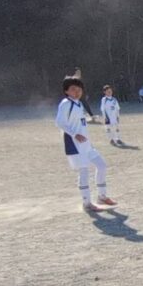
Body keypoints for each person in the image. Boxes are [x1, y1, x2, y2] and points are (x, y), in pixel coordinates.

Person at [55, 76, 116, 212]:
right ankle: (87, 203)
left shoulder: (79, 103)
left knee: (101, 165)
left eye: (79, 89)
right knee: (84, 171)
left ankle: (102, 196)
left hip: (86, 143)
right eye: (73, 89)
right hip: (74, 144)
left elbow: (78, 121)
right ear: (66, 91)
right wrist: (74, 134)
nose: (77, 92)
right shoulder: (65, 103)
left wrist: (90, 119)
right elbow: (59, 122)